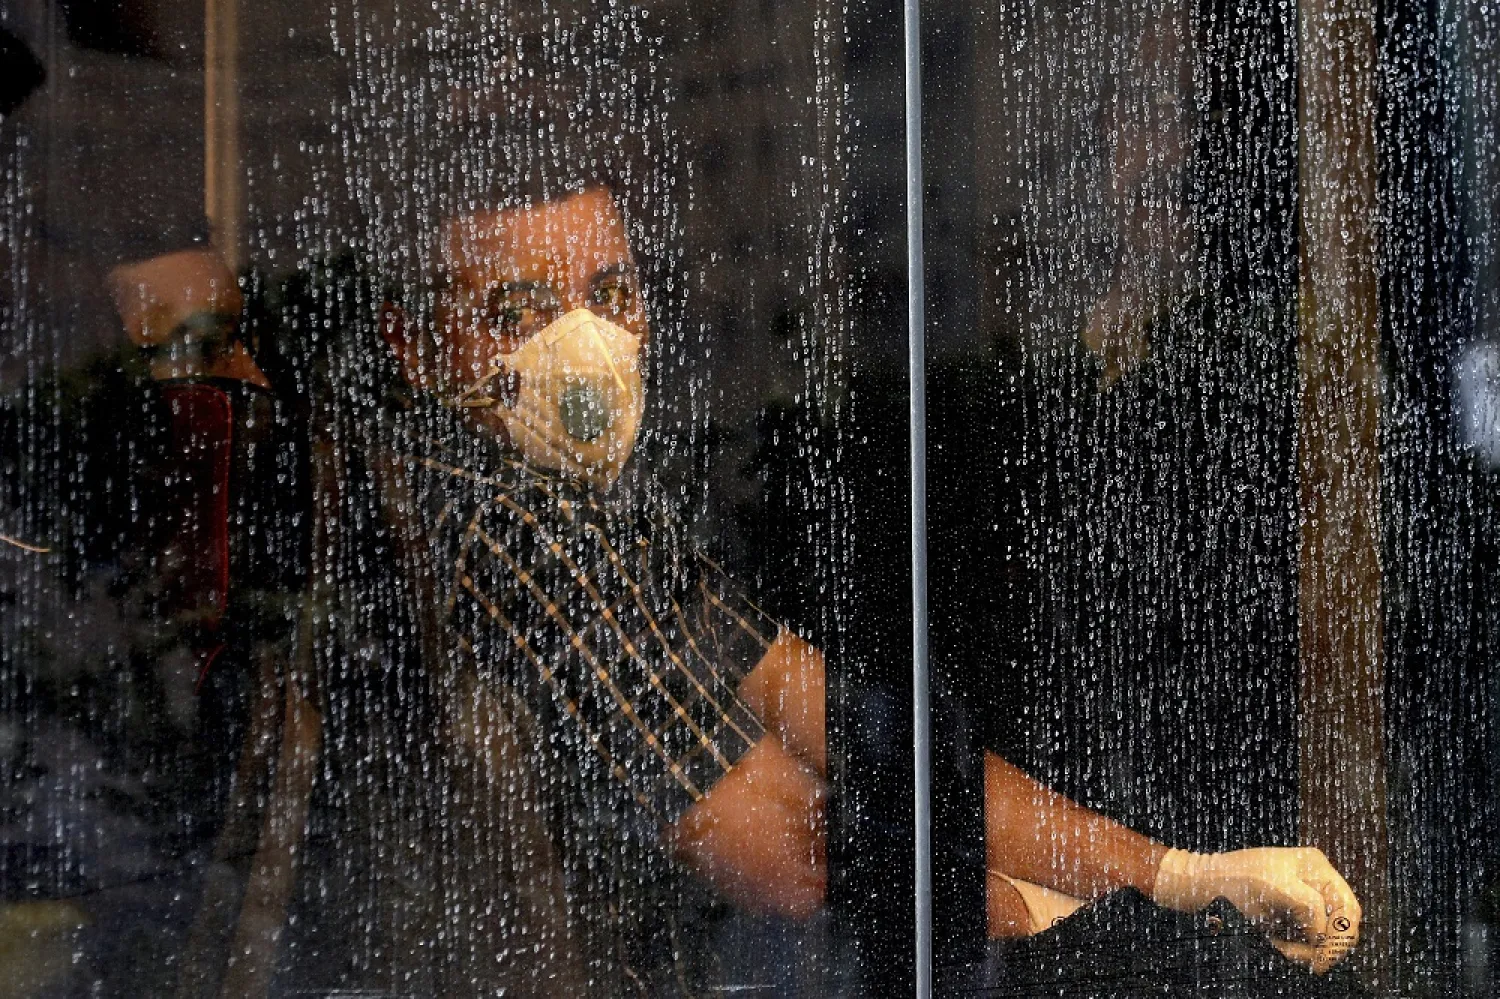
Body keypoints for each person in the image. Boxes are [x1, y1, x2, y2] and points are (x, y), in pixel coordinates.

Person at [352, 169, 1364, 988]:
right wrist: (1104, 914)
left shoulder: (583, 508)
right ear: (413, 346)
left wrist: (1182, 874)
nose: (585, 347)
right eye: (519, 311)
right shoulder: (501, 526)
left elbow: (841, 722)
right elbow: (797, 858)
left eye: (610, 296)